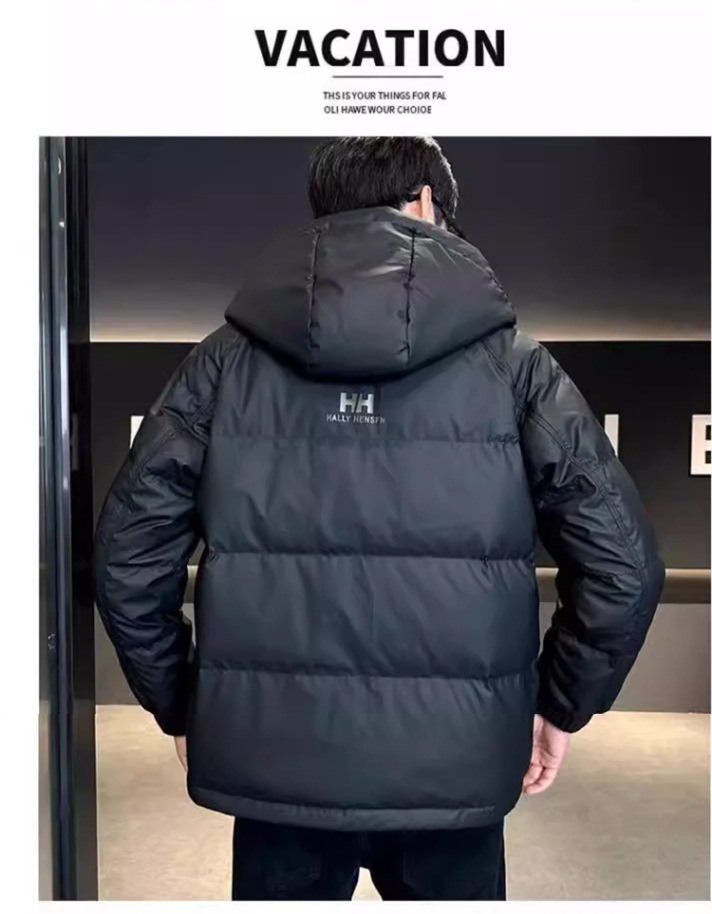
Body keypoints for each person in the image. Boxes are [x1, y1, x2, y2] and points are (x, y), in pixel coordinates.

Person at [94, 136, 665, 901]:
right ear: (426, 203)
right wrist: (560, 704)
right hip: (455, 764)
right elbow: (623, 568)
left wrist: (183, 704)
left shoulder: (222, 364)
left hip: (276, 762)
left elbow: (127, 558)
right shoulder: (517, 367)